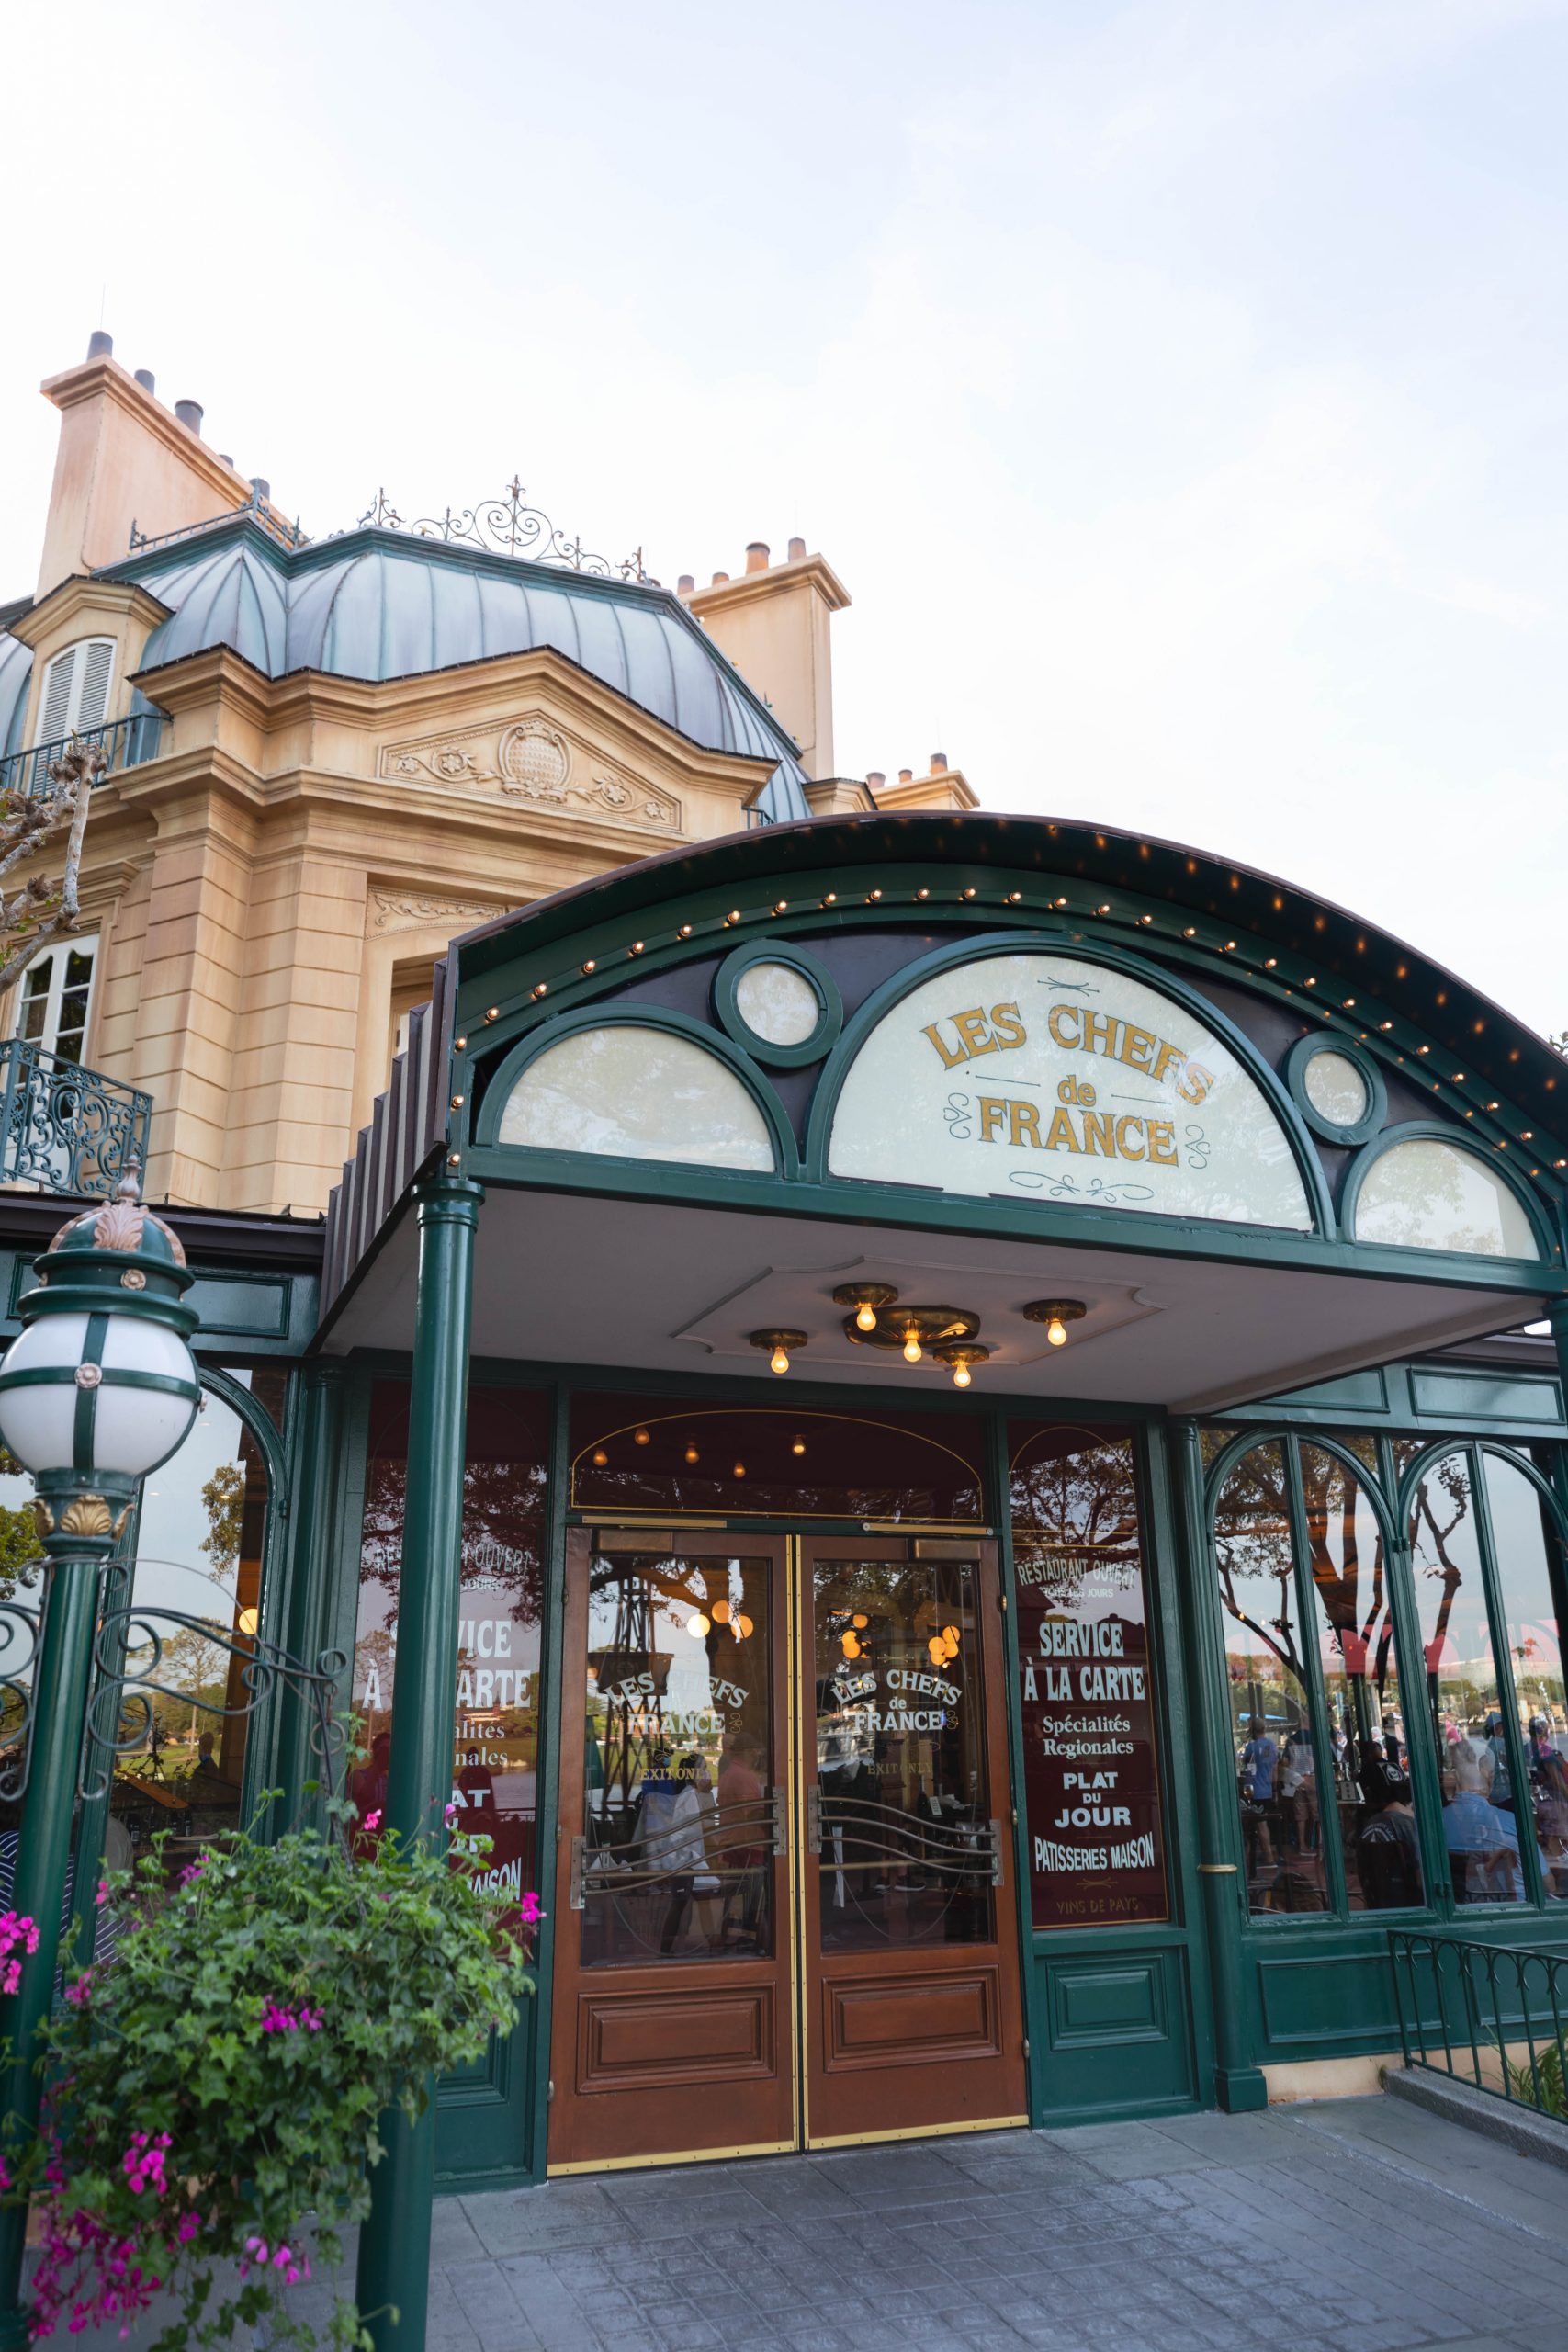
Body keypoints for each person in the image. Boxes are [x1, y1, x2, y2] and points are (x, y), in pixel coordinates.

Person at [637, 1751, 710, 1954]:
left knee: (682, 1905)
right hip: (684, 1857)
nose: (707, 1773)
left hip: (682, 1855)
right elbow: (690, 1828)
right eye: (704, 1769)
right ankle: (677, 1947)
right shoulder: (690, 1795)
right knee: (687, 1904)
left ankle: (673, 1947)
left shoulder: (687, 1792)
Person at [1443, 1739, 1522, 1902]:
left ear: (1452, 1778)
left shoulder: (1433, 1824)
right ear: (1489, 1776)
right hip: (1501, 1907)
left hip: (1455, 1903)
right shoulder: (1510, 1823)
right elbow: (1547, 1882)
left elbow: (1421, 1880)